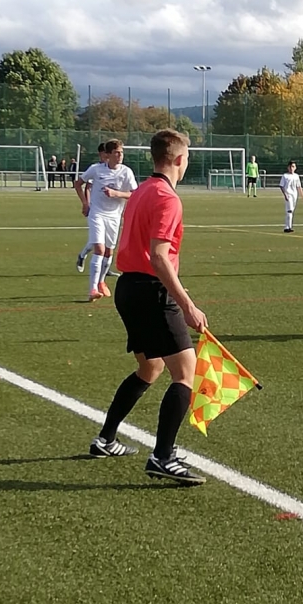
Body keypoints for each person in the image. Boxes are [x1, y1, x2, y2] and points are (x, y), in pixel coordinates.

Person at [88, 129, 207, 486]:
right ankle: (163, 456)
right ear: (179, 160)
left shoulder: (141, 191)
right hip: (151, 291)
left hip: (128, 288)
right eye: (188, 157)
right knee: (186, 373)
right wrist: (187, 304)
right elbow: (158, 256)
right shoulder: (168, 198)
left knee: (150, 367)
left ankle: (105, 439)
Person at [74, 139, 137, 301]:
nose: (120, 155)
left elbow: (135, 194)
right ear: (108, 155)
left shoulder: (126, 172)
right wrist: (85, 203)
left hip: (114, 216)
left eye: (121, 152)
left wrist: (117, 194)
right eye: (116, 152)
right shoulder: (96, 169)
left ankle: (101, 281)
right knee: (100, 250)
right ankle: (92, 289)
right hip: (97, 213)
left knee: (109, 252)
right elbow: (78, 183)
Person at [76, 144, 108, 272]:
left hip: (110, 211)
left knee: (106, 241)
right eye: (105, 152)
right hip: (96, 210)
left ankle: (104, 267)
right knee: (98, 241)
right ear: (101, 154)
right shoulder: (95, 169)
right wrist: (86, 204)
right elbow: (87, 188)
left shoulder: (116, 169)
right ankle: (82, 255)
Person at [280, 160, 303, 232]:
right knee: (290, 210)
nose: (292, 168)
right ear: (288, 167)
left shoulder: (296, 176)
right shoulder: (285, 176)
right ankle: (288, 227)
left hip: (295, 195)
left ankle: (287, 226)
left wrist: (302, 195)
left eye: (293, 166)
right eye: (290, 167)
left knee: (291, 211)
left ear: (295, 168)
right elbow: (281, 186)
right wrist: (285, 194)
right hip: (288, 195)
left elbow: (299, 186)